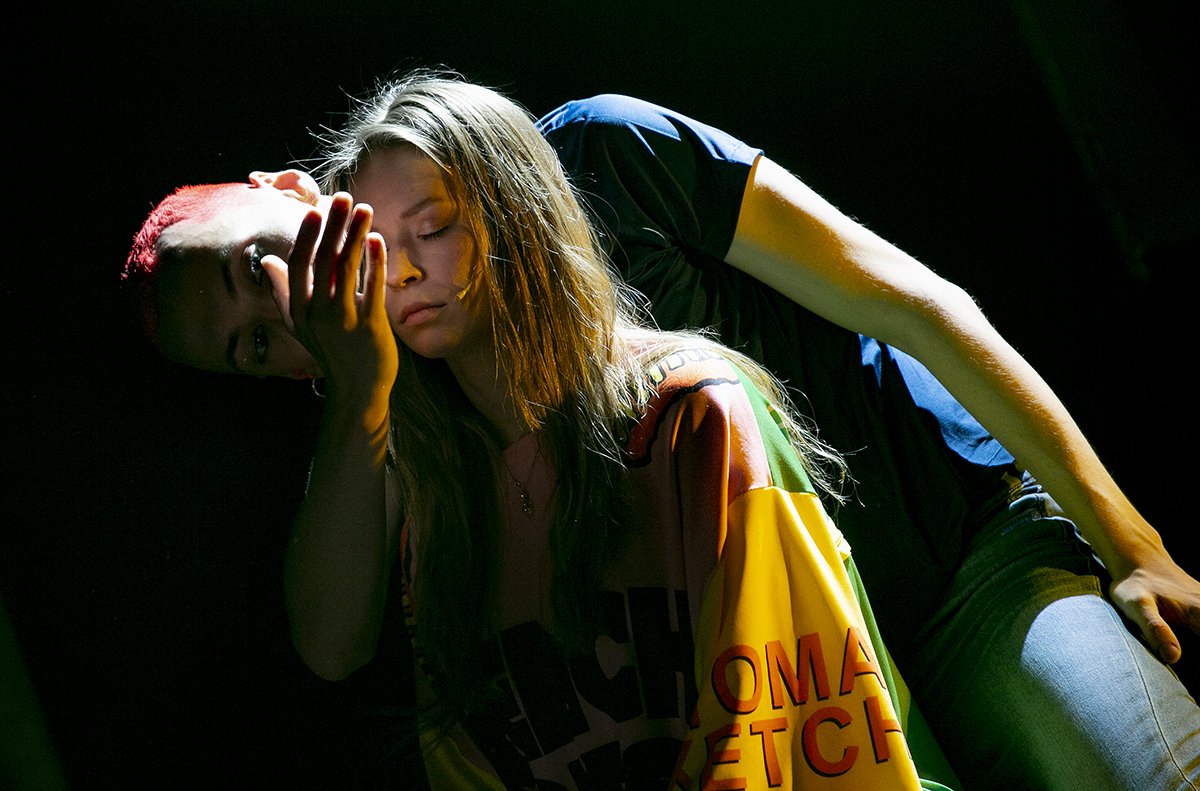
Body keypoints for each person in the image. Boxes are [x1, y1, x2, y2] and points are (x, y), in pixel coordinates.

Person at [122, 72, 1200, 789]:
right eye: (252, 346)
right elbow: (332, 641)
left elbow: (913, 303)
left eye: (254, 263)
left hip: (954, 573)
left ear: (285, 190)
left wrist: (1133, 542)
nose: (282, 306)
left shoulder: (604, 154)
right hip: (785, 695)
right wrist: (359, 396)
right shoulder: (398, 412)